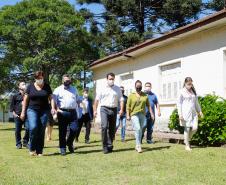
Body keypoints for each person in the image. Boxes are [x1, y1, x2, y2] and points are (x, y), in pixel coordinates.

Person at [21, 71, 54, 156]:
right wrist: (23, 112)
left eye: (41, 78)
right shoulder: (30, 86)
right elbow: (25, 100)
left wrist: (53, 108)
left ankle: (39, 151)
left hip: (44, 110)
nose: (39, 79)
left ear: (43, 77)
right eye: (38, 78)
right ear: (35, 78)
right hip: (32, 110)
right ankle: (32, 148)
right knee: (33, 127)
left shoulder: (47, 86)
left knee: (41, 129)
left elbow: (51, 98)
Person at [93, 72, 124, 154]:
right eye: (110, 79)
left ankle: (110, 145)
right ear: (106, 79)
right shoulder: (101, 88)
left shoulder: (117, 89)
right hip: (104, 109)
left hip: (114, 109)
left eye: (112, 79)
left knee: (112, 128)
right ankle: (105, 146)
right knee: (104, 126)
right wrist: (95, 110)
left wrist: (121, 109)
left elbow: (121, 100)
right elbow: (96, 100)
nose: (111, 80)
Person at [52, 74, 79, 155]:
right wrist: (54, 108)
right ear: (62, 81)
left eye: (69, 80)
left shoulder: (74, 89)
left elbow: (77, 99)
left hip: (73, 112)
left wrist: (81, 105)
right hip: (62, 112)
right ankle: (62, 148)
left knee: (74, 129)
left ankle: (69, 143)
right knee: (62, 131)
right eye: (66, 80)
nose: (68, 82)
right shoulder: (57, 90)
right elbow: (53, 100)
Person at [127, 80, 154, 153]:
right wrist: (128, 115)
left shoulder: (145, 95)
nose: (139, 87)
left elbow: (148, 105)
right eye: (137, 86)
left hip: (142, 114)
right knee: (138, 128)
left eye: (140, 86)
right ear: (135, 87)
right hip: (134, 114)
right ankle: (138, 145)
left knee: (140, 130)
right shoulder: (131, 95)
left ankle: (137, 145)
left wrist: (151, 114)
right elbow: (128, 106)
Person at [177, 77, 203, 151]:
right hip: (185, 113)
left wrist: (200, 111)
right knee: (187, 129)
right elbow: (179, 104)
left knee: (195, 128)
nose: (189, 85)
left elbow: (196, 103)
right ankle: (187, 145)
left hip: (194, 113)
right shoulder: (181, 91)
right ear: (185, 83)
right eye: (188, 84)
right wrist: (180, 114)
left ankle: (187, 139)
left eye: (191, 84)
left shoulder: (193, 92)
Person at [10, 81, 29, 149]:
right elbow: (12, 107)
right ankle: (18, 143)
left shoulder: (28, 95)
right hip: (17, 115)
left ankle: (25, 142)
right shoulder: (15, 95)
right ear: (19, 87)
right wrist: (14, 114)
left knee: (28, 128)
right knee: (18, 130)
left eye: (25, 84)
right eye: (23, 84)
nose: (24, 85)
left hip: (27, 115)